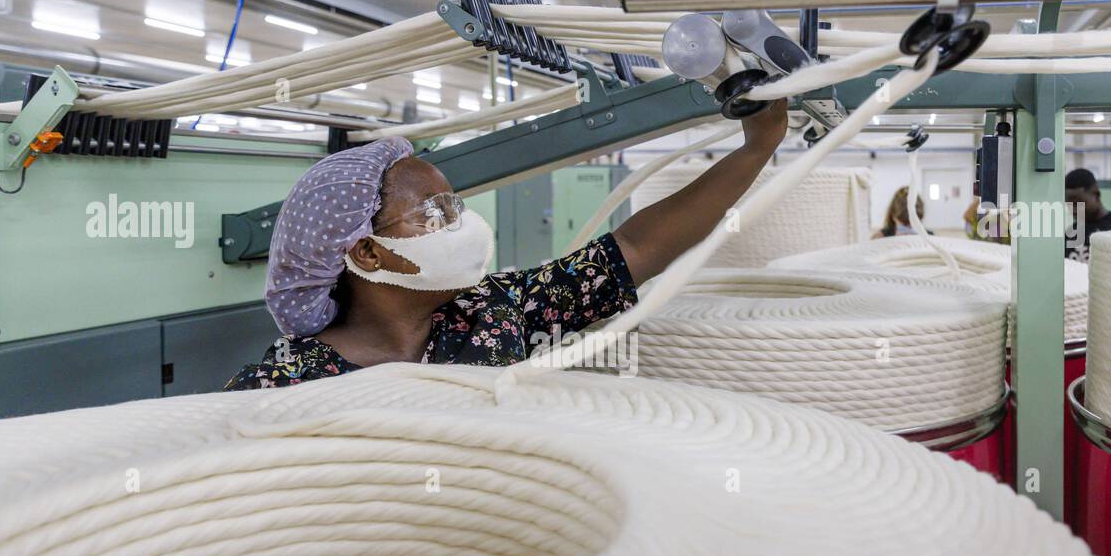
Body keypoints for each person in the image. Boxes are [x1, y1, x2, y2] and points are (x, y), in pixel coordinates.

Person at [224, 100, 789, 389]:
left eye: (457, 206)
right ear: (366, 253)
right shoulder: (283, 382)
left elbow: (639, 247)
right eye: (435, 213)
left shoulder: (497, 313)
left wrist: (756, 147)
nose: (460, 223)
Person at [1065, 167, 1111, 262]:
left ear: (1096, 195)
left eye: (1078, 203)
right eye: (1069, 205)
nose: (1074, 210)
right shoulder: (1070, 235)